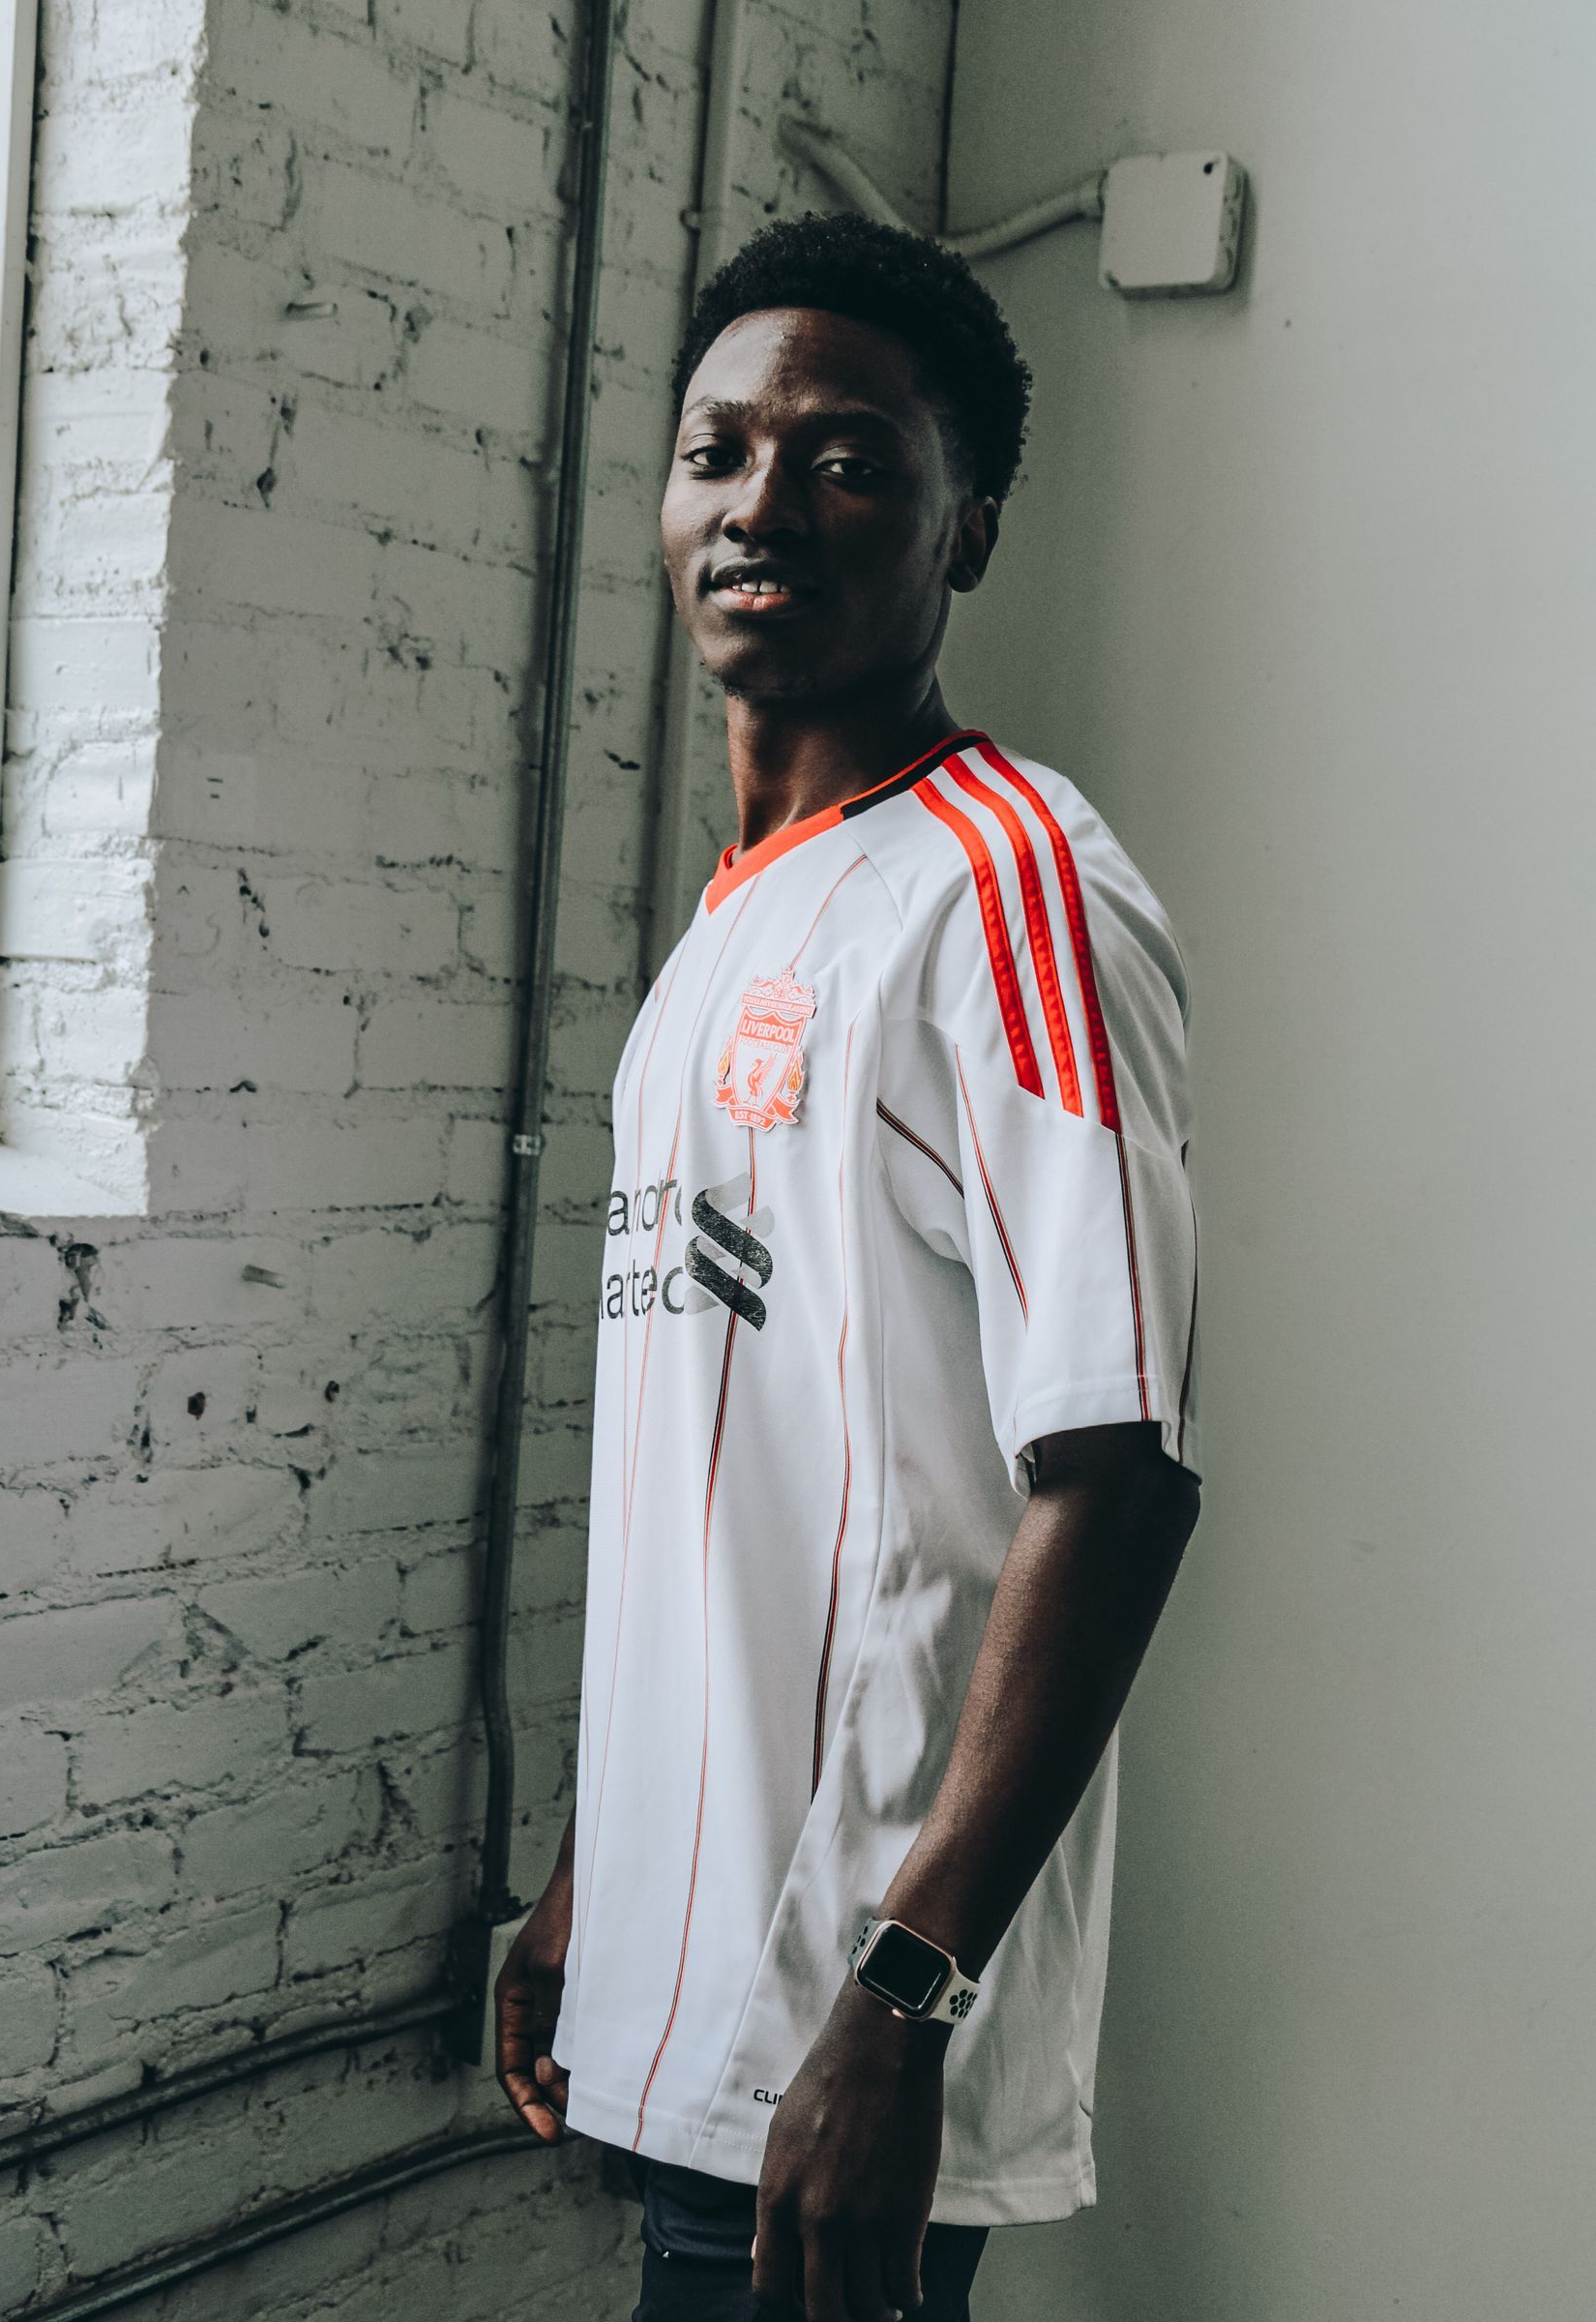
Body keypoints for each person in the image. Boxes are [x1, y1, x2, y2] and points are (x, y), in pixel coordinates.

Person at [495, 211, 1202, 2322]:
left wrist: (905, 1993)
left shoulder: (1013, 894)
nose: (762, 506)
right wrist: (585, 1876)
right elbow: (724, 1483)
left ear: (968, 528)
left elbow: (1121, 1469)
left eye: (848, 459)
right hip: (683, 1971)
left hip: (843, 2012)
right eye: (719, 451)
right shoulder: (733, 936)